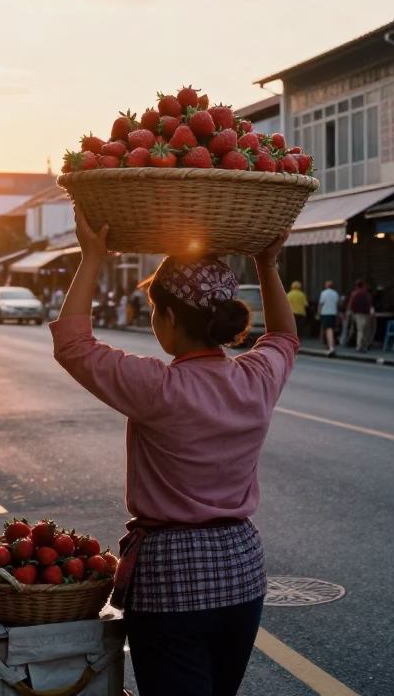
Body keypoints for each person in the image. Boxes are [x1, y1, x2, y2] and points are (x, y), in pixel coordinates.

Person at [52, 206, 297, 696]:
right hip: (241, 570)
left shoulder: (157, 387)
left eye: (152, 312)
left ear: (167, 317)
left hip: (171, 576)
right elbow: (284, 336)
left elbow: (73, 345)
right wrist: (267, 264)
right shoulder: (257, 379)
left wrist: (91, 257)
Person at [348, 280, 374, 353]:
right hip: (366, 313)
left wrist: (351, 313)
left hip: (357, 314)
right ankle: (364, 345)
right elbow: (370, 304)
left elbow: (350, 304)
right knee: (366, 330)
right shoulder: (366, 294)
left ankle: (359, 345)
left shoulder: (354, 293)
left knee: (360, 330)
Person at [317, 280, 340, 356]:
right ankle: (329, 345)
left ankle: (331, 347)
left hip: (325, 313)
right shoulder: (335, 293)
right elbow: (337, 304)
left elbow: (321, 303)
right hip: (333, 313)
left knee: (328, 330)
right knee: (330, 329)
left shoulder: (324, 293)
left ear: (326, 286)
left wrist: (318, 313)